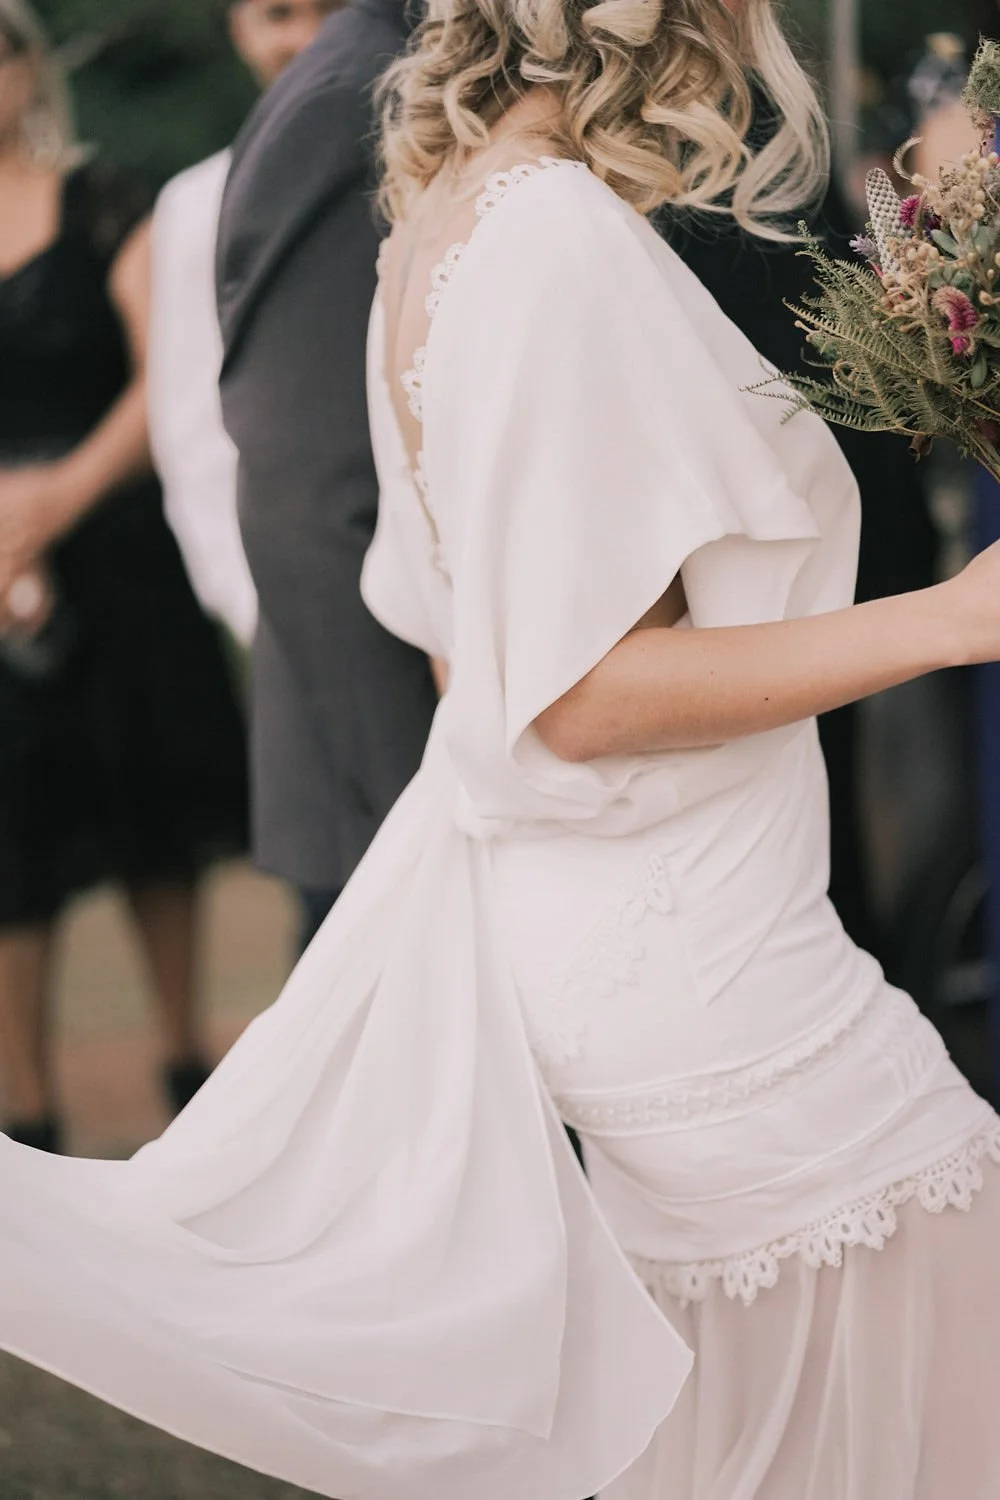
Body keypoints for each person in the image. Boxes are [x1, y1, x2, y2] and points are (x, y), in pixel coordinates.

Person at [1, 3, 1000, 1498]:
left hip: (637, 930)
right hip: (706, 962)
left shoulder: (445, 228)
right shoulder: (551, 239)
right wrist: (955, 618)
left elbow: (468, 654)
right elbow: (572, 694)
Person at [0, 0, 249, 1152]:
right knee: (11, 851)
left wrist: (56, 499)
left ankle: (191, 1093)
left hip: (121, 551)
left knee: (160, 824)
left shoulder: (106, 201)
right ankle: (27, 1126)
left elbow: (170, 379)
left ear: (26, 69)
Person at [216, 0, 439, 947]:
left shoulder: (420, 67)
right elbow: (309, 480)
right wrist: (419, 795)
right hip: (391, 774)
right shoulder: (355, 94)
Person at [149, 0, 344, 648]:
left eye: (333, 10)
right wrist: (249, 600)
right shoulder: (196, 205)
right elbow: (189, 422)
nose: (310, 36)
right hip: (300, 598)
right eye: (280, 14)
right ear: (241, 31)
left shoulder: (438, 165)